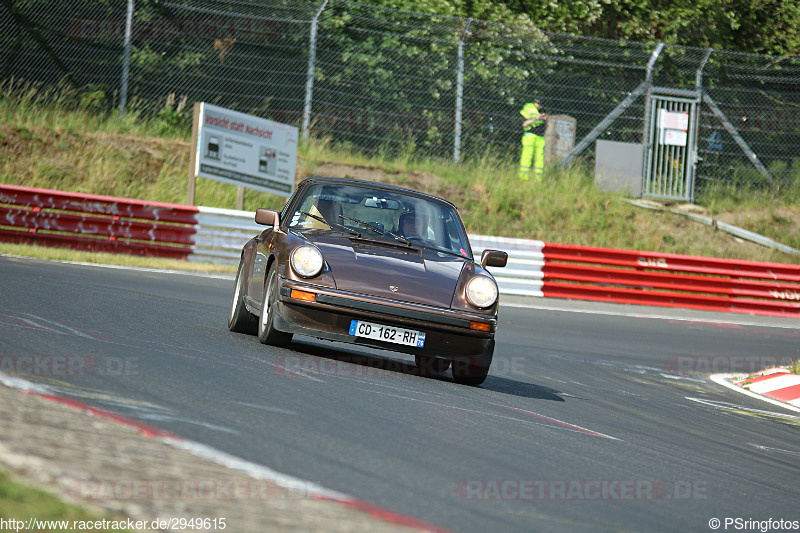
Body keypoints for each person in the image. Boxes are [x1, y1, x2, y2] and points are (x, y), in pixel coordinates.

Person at [518, 101, 547, 181]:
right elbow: (524, 124)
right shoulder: (527, 110)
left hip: (541, 138)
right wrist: (536, 118)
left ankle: (539, 178)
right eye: (539, 104)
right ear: (534, 102)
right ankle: (523, 177)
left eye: (542, 104)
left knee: (540, 159)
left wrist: (545, 118)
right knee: (527, 157)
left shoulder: (542, 110)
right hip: (529, 136)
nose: (541, 106)